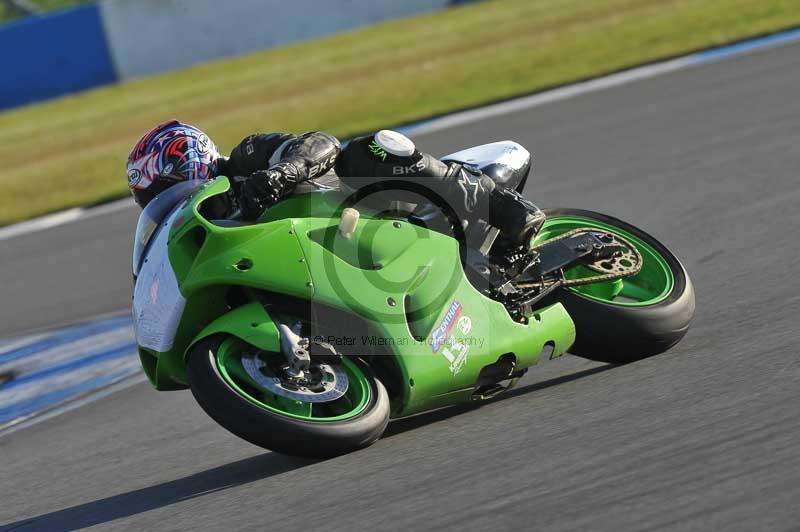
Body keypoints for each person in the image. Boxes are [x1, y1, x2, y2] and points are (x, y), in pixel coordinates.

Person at [126, 120, 545, 247]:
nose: (161, 201)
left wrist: (281, 173)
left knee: (366, 152)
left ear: (187, 160)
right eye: (151, 200)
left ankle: (503, 207)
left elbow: (321, 143)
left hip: (376, 208)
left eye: (161, 188)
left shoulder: (246, 158)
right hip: (337, 255)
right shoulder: (210, 222)